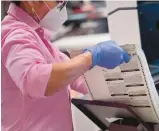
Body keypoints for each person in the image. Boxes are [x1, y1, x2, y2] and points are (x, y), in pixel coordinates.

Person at [1, 1, 130, 131]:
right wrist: (90, 57)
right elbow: (35, 80)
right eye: (57, 1)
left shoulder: (38, 36)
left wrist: (126, 86)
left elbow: (76, 77)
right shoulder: (16, 34)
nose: (61, 7)